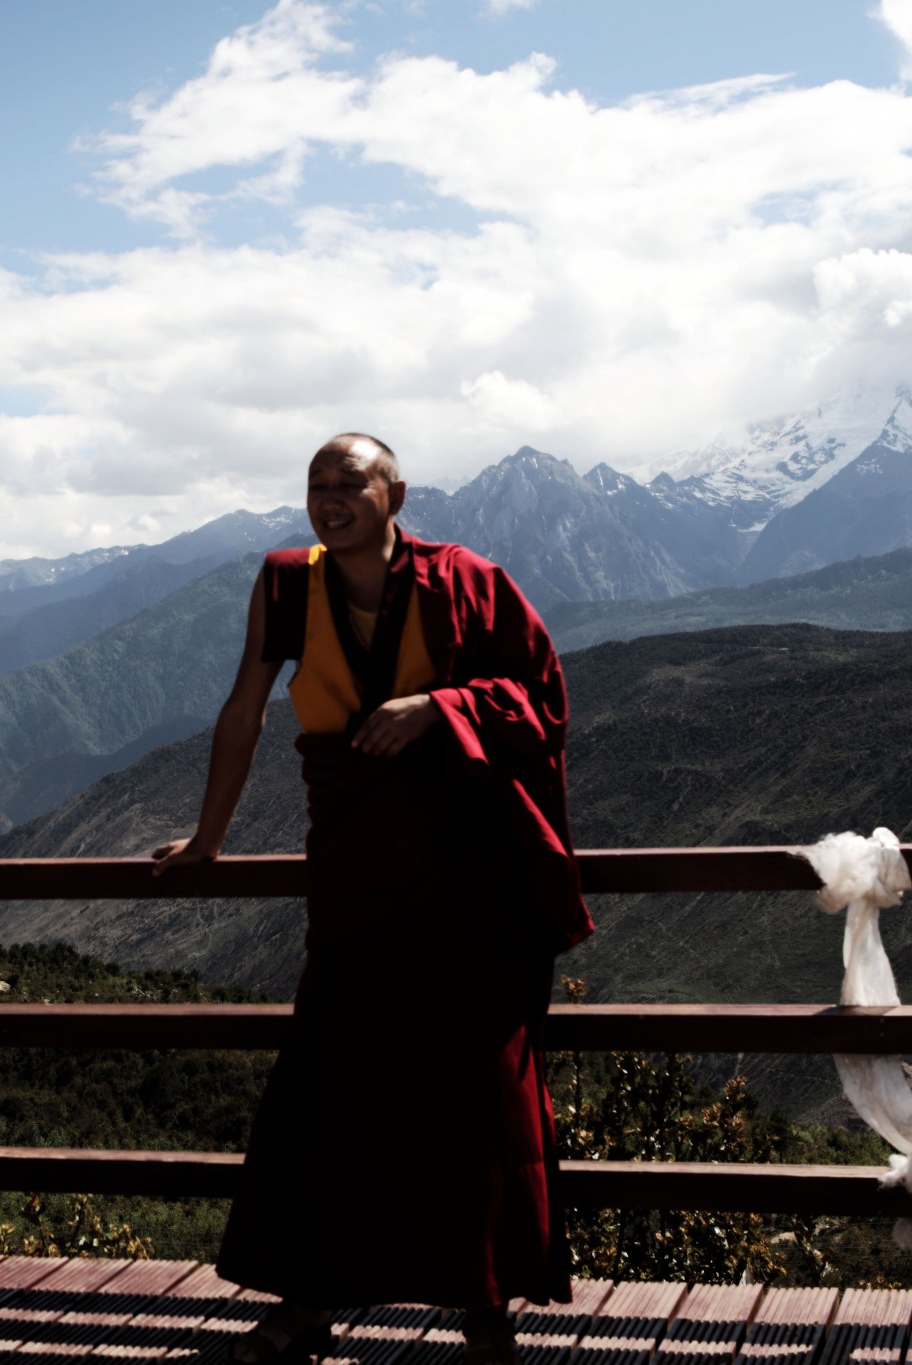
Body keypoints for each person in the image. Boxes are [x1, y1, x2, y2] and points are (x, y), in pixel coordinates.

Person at [152, 434, 592, 1365]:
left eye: (349, 483)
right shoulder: (287, 582)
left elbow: (544, 697)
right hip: (355, 868)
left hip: (468, 872)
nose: (329, 499)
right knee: (335, 1078)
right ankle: (309, 1300)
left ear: (396, 492)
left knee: (479, 1088)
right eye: (317, 484)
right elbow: (244, 709)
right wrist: (208, 837)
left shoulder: (465, 580)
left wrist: (442, 707)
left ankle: (485, 1303)